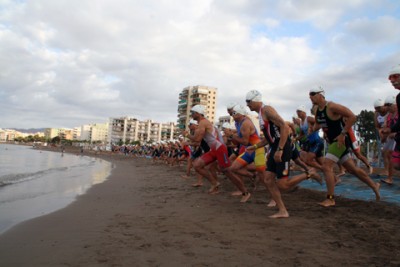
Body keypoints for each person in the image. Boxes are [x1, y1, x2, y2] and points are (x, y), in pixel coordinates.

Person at [309, 86, 380, 207]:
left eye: (313, 93)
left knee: (326, 167)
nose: (310, 96)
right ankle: (374, 185)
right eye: (309, 94)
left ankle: (330, 199)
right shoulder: (318, 111)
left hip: (340, 141)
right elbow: (317, 125)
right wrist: (312, 129)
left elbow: (353, 117)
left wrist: (342, 134)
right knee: (353, 170)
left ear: (321, 94)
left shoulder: (332, 106)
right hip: (334, 143)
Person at [183, 105, 250, 199]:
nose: (191, 115)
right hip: (214, 149)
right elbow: (197, 139)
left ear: (197, 113)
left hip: (220, 148)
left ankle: (245, 192)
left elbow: (197, 140)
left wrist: (187, 135)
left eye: (192, 113)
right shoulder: (201, 123)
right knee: (197, 165)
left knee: (227, 171)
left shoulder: (203, 122)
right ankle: (215, 184)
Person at [245, 90, 290, 218]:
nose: (248, 105)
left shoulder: (267, 110)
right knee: (268, 179)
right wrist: (254, 147)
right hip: (275, 147)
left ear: (256, 100)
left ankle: (309, 174)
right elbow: (268, 139)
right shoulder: (260, 115)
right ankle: (283, 210)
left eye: (249, 102)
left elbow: (284, 127)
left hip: (283, 146)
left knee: (283, 184)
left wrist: (280, 149)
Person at [380, 95, 398, 185]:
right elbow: (386, 127)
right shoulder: (388, 116)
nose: (387, 107)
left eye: (389, 105)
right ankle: (388, 174)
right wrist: (384, 136)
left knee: (391, 156)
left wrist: (395, 133)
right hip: (391, 137)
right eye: (386, 105)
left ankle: (390, 178)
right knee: (385, 152)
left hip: (396, 137)